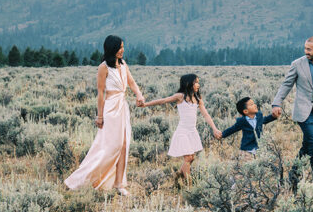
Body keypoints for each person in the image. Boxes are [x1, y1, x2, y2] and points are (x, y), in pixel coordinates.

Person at [64, 35, 145, 195]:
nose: (122, 50)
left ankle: (119, 184)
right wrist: (100, 116)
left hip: (122, 108)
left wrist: (139, 95)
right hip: (110, 109)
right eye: (120, 47)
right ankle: (80, 180)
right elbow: (100, 93)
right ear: (112, 49)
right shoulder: (103, 67)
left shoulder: (123, 64)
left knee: (123, 145)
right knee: (108, 148)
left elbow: (132, 82)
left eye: (123, 47)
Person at [271, 36, 313, 187]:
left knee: (307, 146)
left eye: (309, 49)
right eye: (305, 48)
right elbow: (286, 84)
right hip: (302, 112)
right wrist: (277, 103)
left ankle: (293, 175)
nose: (305, 51)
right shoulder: (297, 64)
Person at [142, 73, 221, 183]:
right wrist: (145, 104)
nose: (198, 84)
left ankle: (179, 175)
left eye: (198, 82)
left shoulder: (198, 98)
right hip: (182, 131)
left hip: (192, 131)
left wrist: (214, 128)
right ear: (188, 83)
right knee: (188, 158)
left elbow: (206, 115)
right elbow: (163, 100)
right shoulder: (180, 96)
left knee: (192, 157)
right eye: (196, 82)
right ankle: (189, 185)